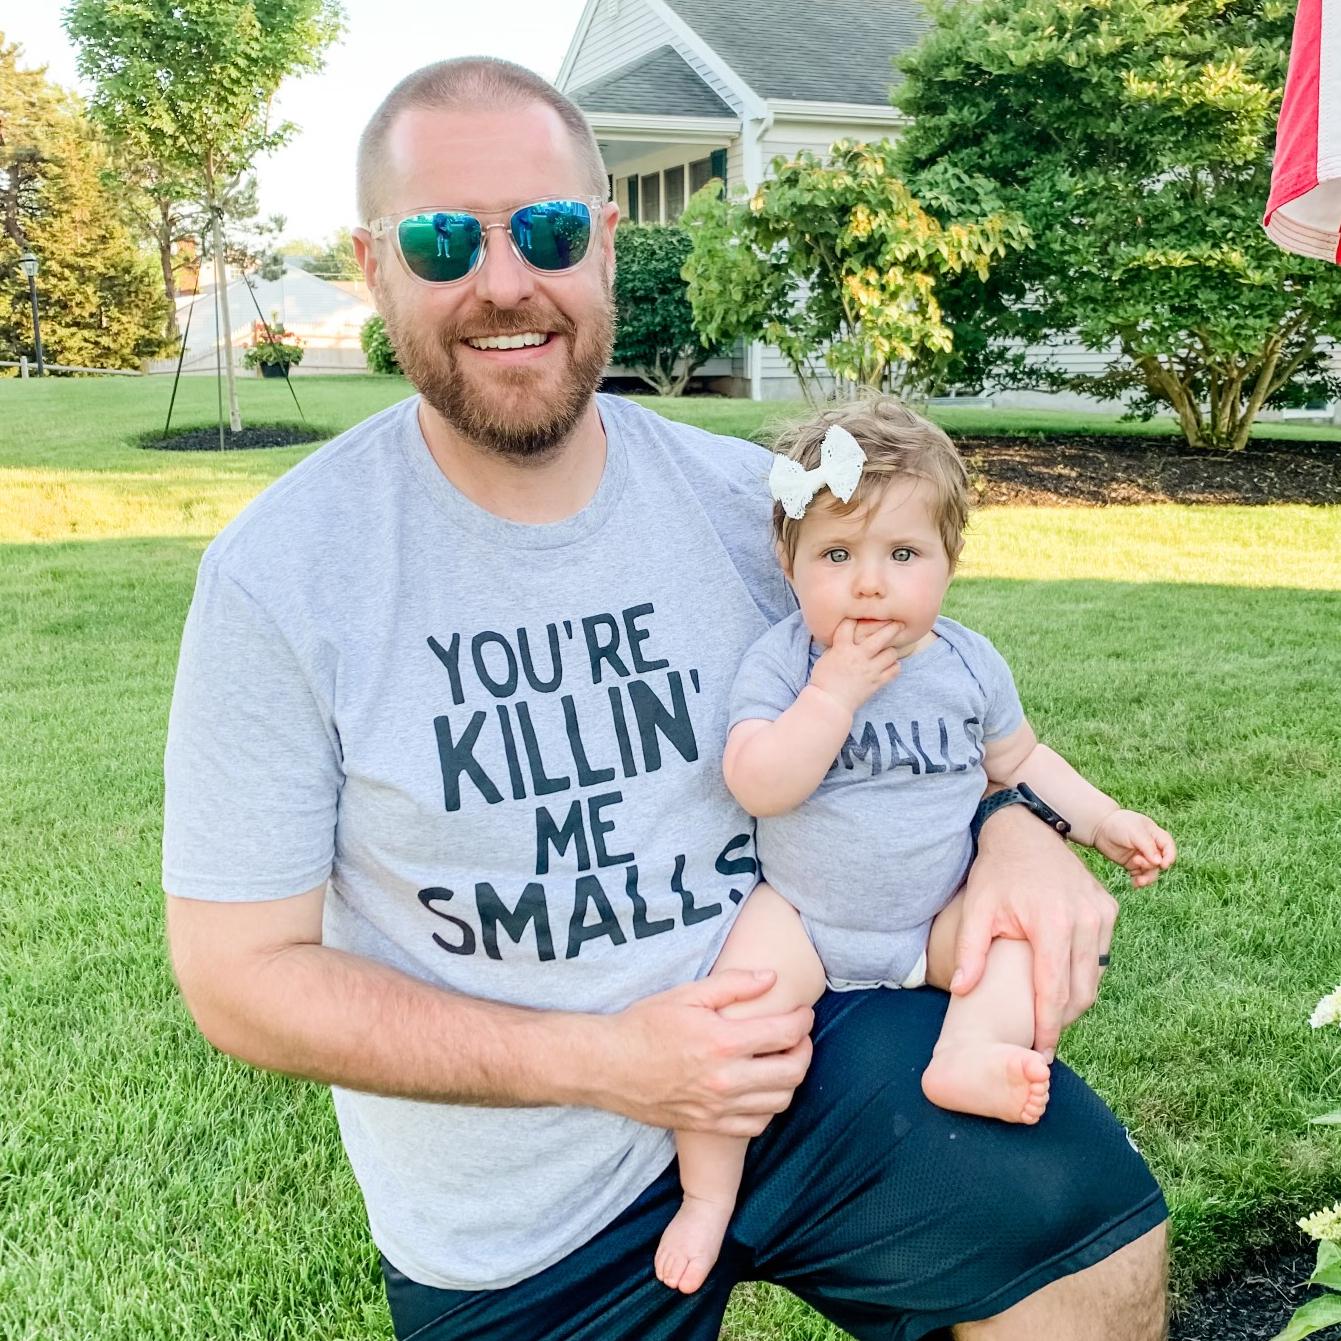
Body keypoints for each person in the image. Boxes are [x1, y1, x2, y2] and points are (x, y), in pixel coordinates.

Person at [162, 56, 1170, 1341]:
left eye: (547, 230)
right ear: (373, 266)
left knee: (1084, 1238)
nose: (505, 282)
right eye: (442, 241)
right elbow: (240, 978)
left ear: (605, 245)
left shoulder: (760, 512)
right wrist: (608, 1063)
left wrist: (1016, 827)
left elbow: (923, 697)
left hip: (806, 1032)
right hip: (524, 1193)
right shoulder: (283, 575)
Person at [654, 400, 1177, 1295]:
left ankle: (967, 1053)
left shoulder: (968, 664)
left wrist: (1100, 820)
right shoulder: (783, 663)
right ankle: (706, 1196)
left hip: (932, 918)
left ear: (948, 560)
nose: (869, 585)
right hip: (804, 919)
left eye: (902, 555)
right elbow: (757, 781)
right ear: (787, 562)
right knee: (730, 1023)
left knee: (1017, 943)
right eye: (836, 556)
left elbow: (1020, 761)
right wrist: (831, 695)